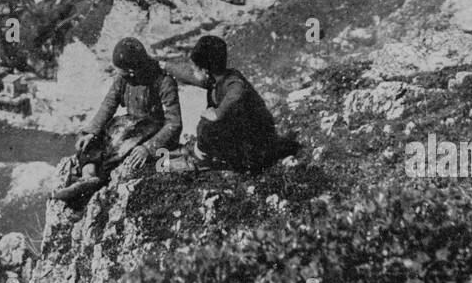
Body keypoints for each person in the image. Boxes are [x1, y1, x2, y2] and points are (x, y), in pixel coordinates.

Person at [50, 37, 182, 202]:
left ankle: (97, 181)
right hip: (130, 123)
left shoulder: (164, 82)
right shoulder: (123, 79)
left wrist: (148, 148)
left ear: (133, 71)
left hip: (153, 128)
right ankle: (88, 175)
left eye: (124, 73)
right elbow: (109, 104)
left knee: (120, 148)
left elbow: (174, 123)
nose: (121, 76)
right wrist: (91, 132)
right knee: (92, 140)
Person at [167, 35, 298, 173]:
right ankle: (199, 152)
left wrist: (218, 113)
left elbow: (237, 90)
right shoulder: (216, 78)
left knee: (207, 125)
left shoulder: (233, 82)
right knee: (208, 125)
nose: (192, 72)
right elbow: (188, 75)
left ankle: (200, 161)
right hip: (248, 140)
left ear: (205, 70)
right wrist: (166, 66)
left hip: (255, 150)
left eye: (195, 69)